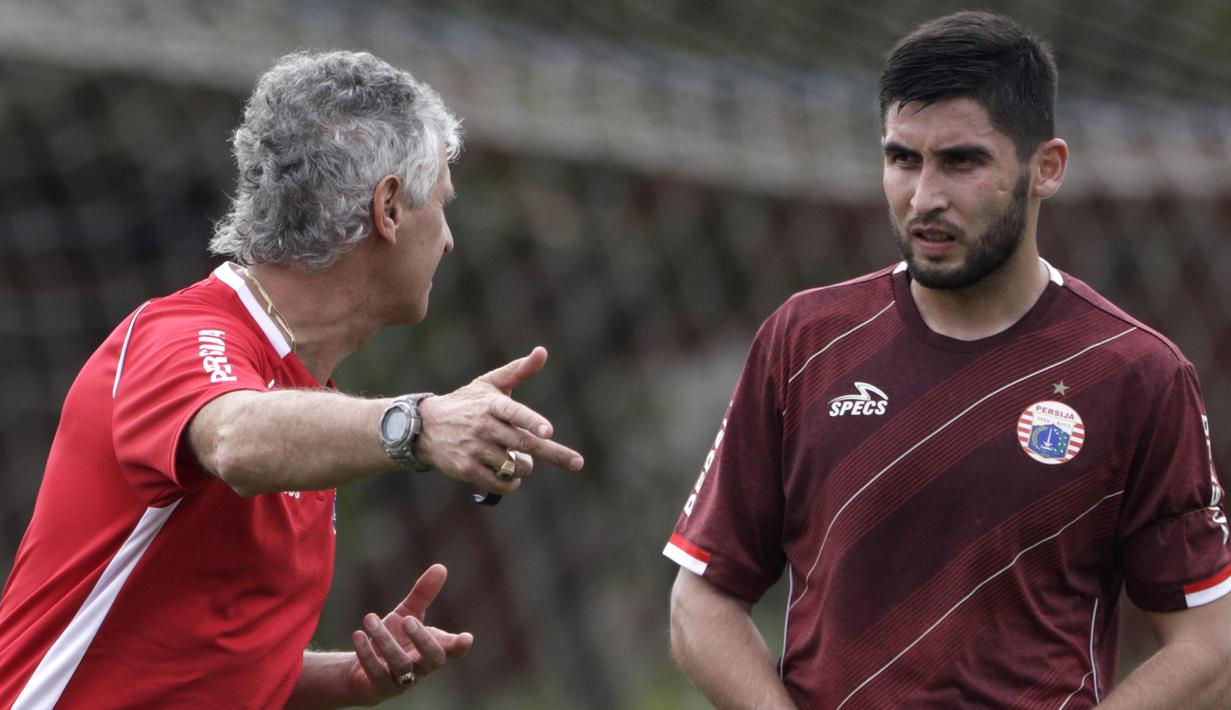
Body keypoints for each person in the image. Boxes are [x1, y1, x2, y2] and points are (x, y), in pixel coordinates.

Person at [664, 11, 1231, 709]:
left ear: (1045, 168)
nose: (924, 197)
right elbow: (701, 599)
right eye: (902, 158)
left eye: (961, 161)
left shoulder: (1137, 373)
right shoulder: (805, 339)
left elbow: (1208, 646)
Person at [0, 50, 584, 708]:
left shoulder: (314, 416)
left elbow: (183, 655)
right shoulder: (182, 337)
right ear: (388, 208)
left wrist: (346, 679)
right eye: (440, 205)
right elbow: (237, 440)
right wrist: (418, 423)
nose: (448, 239)